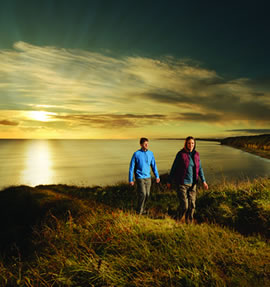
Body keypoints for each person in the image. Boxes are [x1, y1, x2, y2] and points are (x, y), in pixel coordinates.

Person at [167, 136, 208, 223]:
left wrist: (204, 181)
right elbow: (174, 168)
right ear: (186, 144)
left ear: (194, 144)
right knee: (184, 206)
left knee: (192, 205)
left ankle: (188, 223)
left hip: (193, 184)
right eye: (189, 143)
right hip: (182, 183)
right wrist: (169, 181)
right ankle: (176, 220)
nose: (191, 145)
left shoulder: (196, 154)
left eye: (192, 143)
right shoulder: (180, 154)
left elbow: (200, 168)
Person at [129, 137, 160, 215]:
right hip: (139, 177)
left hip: (148, 177)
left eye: (147, 143)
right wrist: (131, 179)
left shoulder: (151, 153)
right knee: (143, 194)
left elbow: (154, 165)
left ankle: (142, 209)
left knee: (147, 195)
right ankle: (139, 211)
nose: (146, 145)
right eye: (144, 143)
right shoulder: (136, 154)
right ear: (141, 144)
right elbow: (131, 167)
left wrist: (157, 176)